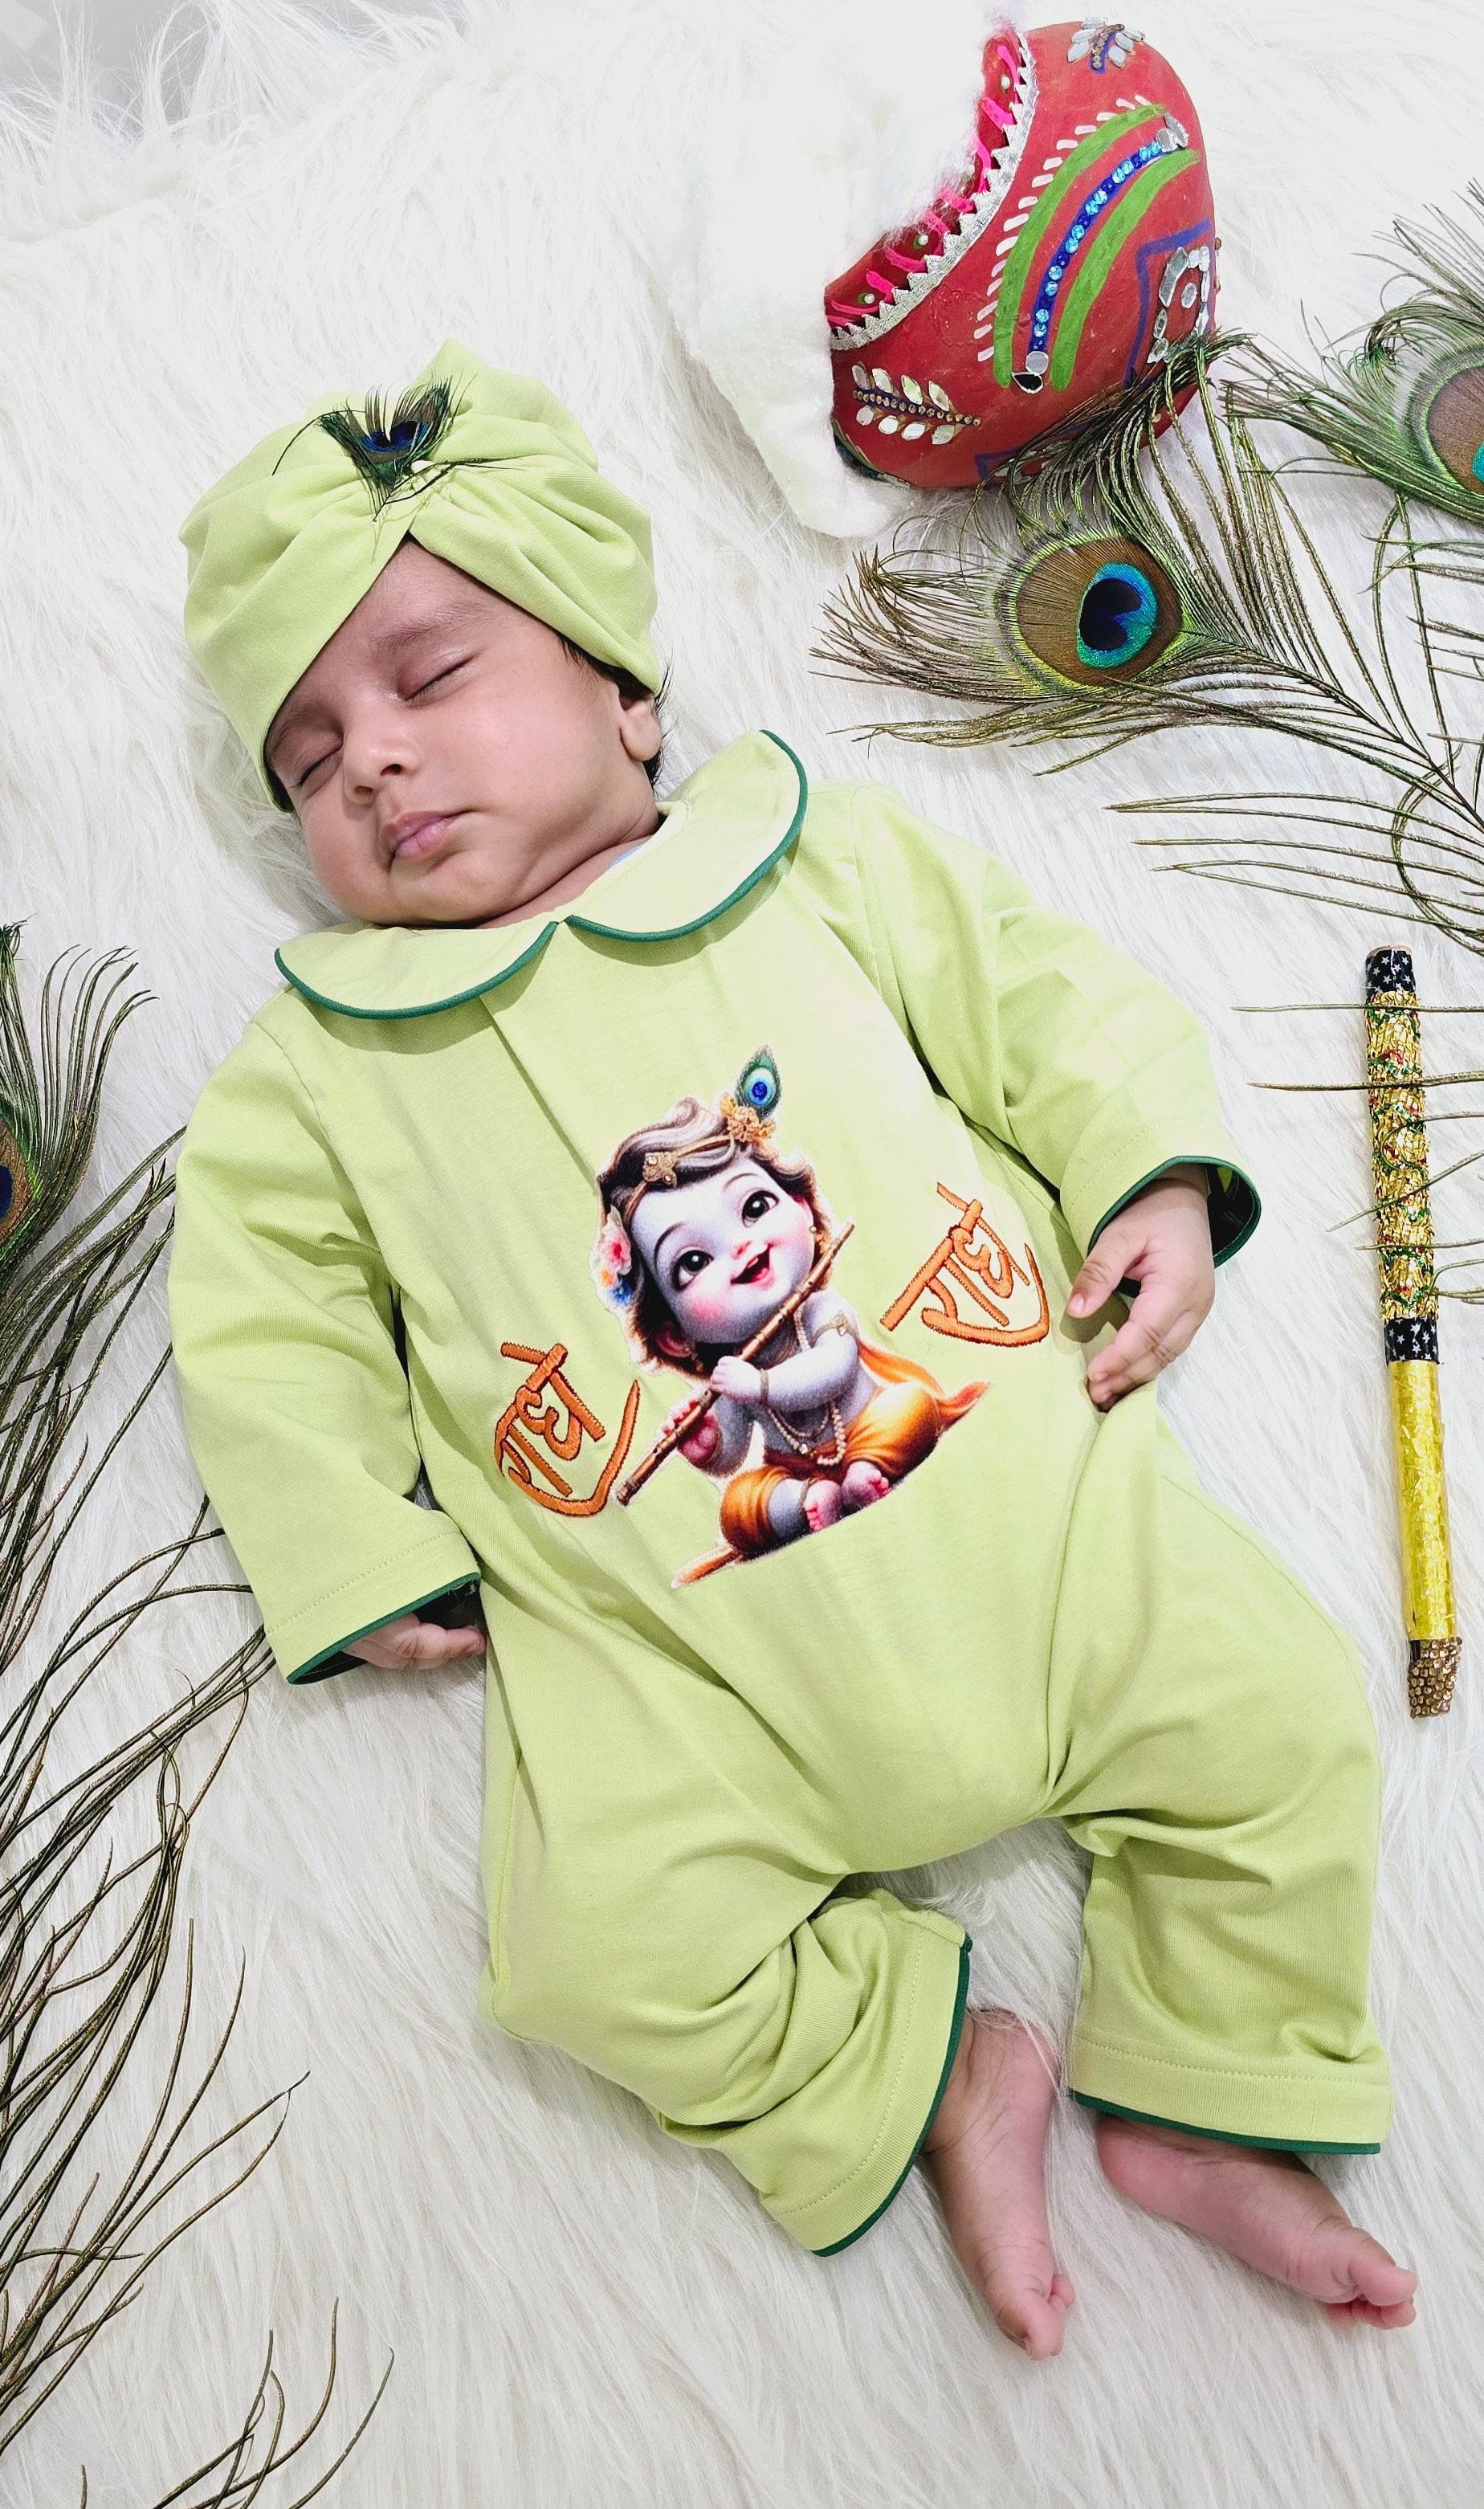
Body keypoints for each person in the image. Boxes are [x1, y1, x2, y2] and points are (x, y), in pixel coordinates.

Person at [167, 339, 1417, 2358]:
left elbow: (1038, 995)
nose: (372, 764)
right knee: (594, 1956)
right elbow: (256, 1320)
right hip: (677, 1670)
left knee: (1274, 1718)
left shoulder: (800, 849)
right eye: (307, 761)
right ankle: (930, 2064)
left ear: (627, 690)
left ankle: (1204, 2089)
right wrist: (346, 1542)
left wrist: (1151, 1173)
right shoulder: (316, 1068)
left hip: (1048, 1545)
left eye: (429, 675)